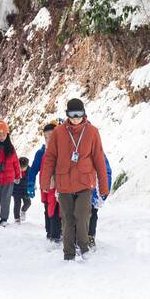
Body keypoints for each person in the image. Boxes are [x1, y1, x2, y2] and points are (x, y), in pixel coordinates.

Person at [38, 98, 109, 261]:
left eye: (79, 114)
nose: (75, 118)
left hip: (85, 183)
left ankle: (84, 248)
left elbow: (99, 159)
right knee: (68, 219)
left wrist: (103, 186)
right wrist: (45, 181)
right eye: (72, 114)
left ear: (84, 114)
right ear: (67, 114)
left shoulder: (92, 132)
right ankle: (68, 254)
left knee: (82, 215)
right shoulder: (58, 132)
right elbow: (50, 158)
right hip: (64, 184)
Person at [31, 121, 60, 246]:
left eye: (51, 136)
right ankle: (49, 231)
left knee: (56, 210)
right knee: (47, 209)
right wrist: (30, 183)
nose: (49, 139)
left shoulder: (61, 151)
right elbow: (33, 169)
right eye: (46, 137)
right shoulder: (41, 153)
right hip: (45, 187)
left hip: (58, 187)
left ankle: (55, 234)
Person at [88, 157, 112, 249]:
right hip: (80, 190)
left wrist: (104, 191)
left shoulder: (99, 154)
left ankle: (90, 236)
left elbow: (107, 173)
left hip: (94, 192)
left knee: (93, 213)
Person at [12, 156, 33, 223]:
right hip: (16, 190)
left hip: (25, 190)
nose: (22, 169)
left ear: (27, 166)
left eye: (24, 167)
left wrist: (31, 188)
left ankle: (23, 211)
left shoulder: (30, 171)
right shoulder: (14, 170)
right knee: (17, 204)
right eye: (20, 167)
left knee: (28, 203)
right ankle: (17, 218)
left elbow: (32, 180)